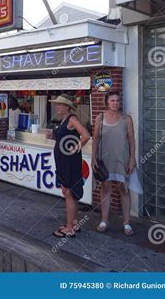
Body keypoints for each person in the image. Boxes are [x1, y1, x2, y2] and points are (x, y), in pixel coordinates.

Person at [92, 91, 140, 236]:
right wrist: (93, 157)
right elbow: (95, 139)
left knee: (123, 188)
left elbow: (131, 140)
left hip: (122, 159)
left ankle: (126, 222)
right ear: (107, 102)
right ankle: (104, 220)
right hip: (105, 160)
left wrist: (132, 158)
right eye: (112, 100)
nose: (115, 103)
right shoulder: (100, 118)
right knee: (105, 188)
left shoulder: (127, 119)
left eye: (117, 100)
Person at [49, 94, 90, 238]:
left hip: (69, 162)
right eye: (57, 104)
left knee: (69, 193)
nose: (57, 106)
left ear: (67, 106)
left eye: (60, 104)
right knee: (68, 192)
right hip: (63, 160)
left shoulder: (72, 119)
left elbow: (85, 135)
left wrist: (76, 148)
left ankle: (69, 228)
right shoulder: (63, 120)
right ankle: (74, 223)